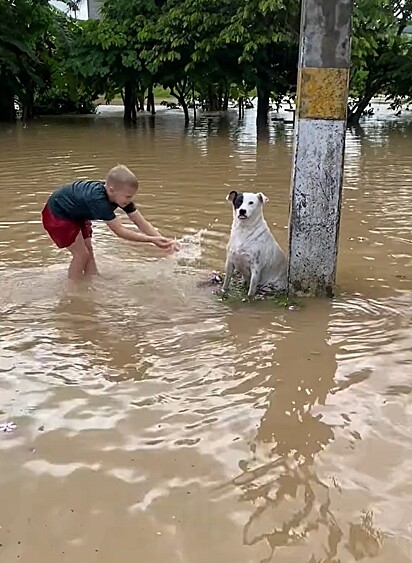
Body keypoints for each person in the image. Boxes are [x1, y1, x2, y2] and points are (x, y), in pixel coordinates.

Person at [41, 164, 177, 286]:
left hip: (76, 213)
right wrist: (152, 240)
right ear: (111, 190)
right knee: (81, 254)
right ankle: (73, 290)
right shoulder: (99, 202)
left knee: (89, 249)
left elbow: (140, 222)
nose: (130, 200)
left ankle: (92, 279)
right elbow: (120, 231)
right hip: (58, 214)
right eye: (128, 197)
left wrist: (164, 241)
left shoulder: (119, 197)